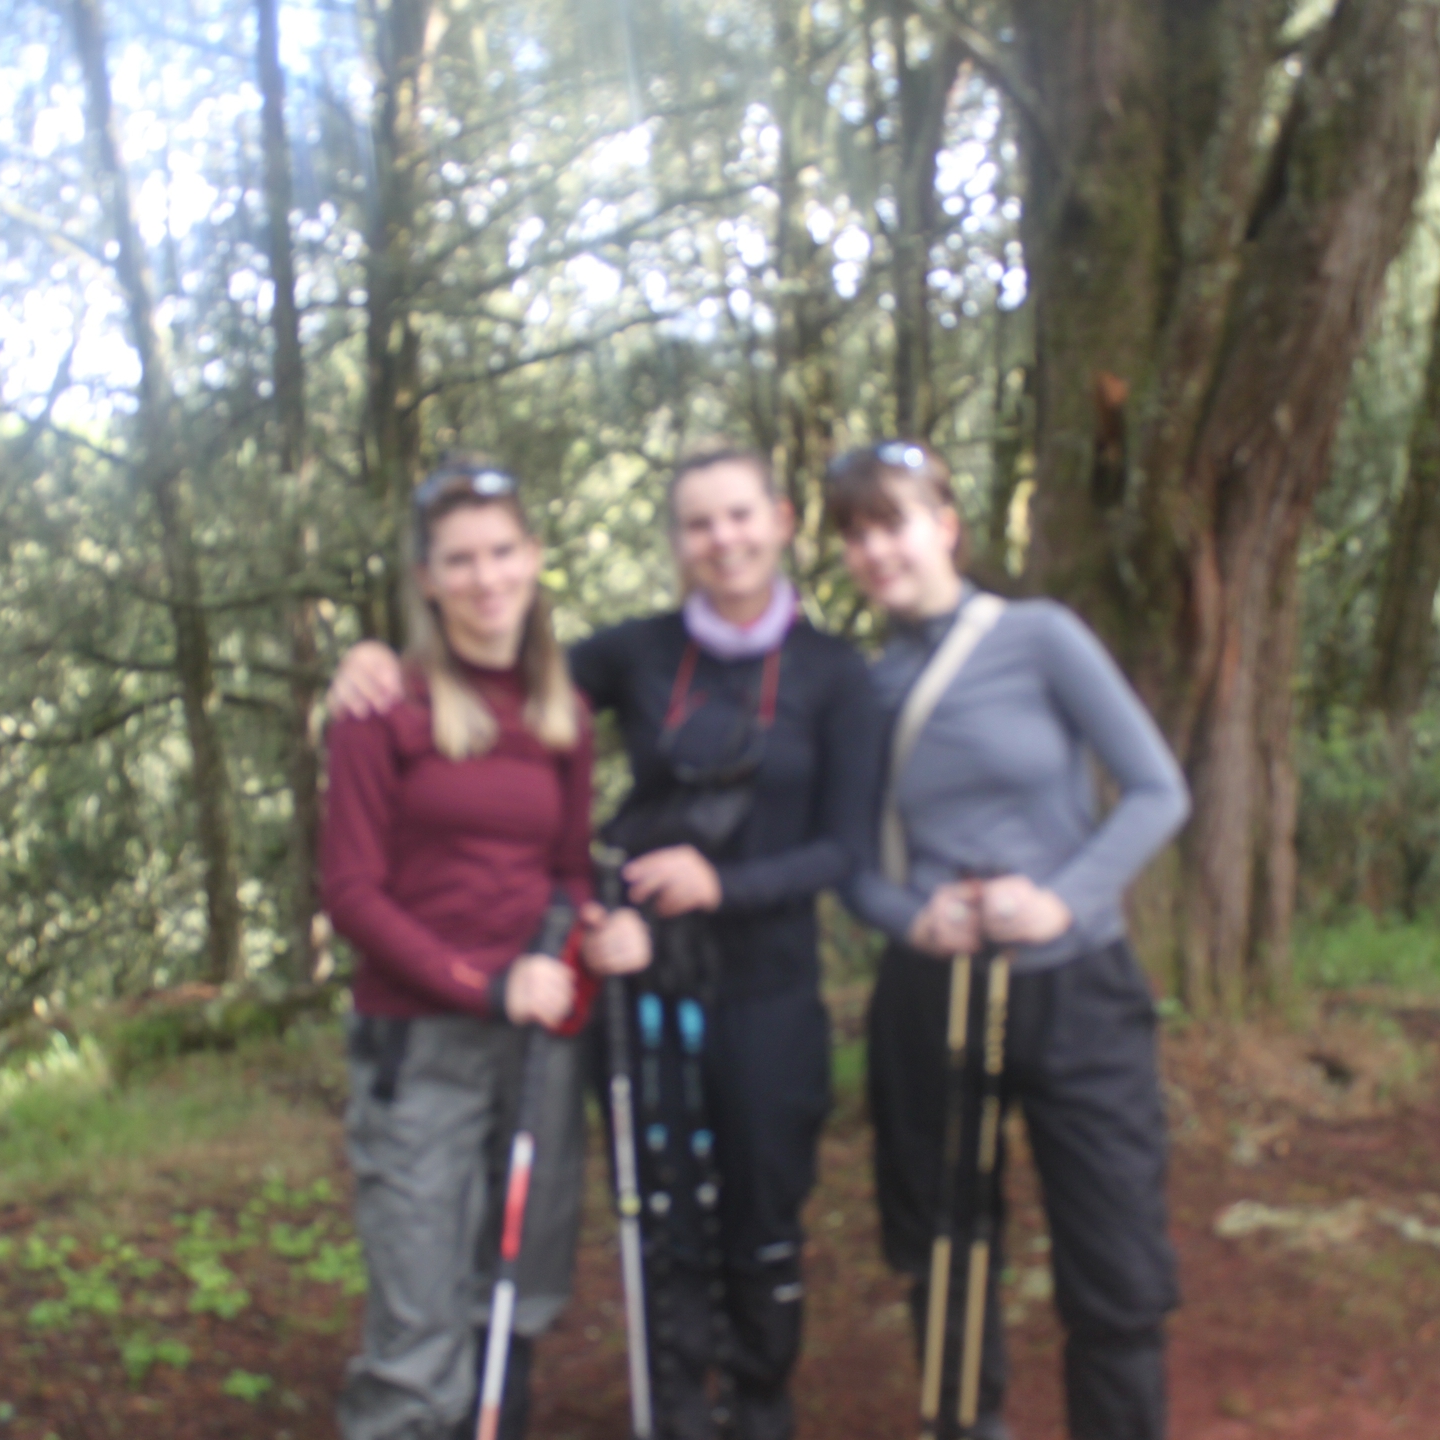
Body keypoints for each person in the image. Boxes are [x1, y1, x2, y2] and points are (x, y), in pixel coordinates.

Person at [329, 446, 882, 1440]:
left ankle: (738, 1404)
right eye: (698, 523)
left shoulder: (818, 676)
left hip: (680, 997)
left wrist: (664, 901)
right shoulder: (592, 664)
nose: (722, 539)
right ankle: (493, 1414)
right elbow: (362, 877)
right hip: (533, 1006)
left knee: (643, 1241)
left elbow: (836, 846)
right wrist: (369, 655)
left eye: (740, 515)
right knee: (524, 1254)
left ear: (783, 520)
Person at [826, 440, 1190, 1440]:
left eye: (892, 523)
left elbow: (1158, 791)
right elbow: (846, 859)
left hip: (1077, 990)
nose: (875, 550)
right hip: (934, 996)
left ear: (945, 526)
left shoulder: (1040, 637)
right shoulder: (861, 688)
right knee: (945, 1249)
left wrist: (1063, 902)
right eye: (854, 534)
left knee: (1115, 1254)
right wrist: (911, 917)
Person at [319, 459, 652, 1440]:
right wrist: (484, 984)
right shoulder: (383, 707)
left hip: (540, 1033)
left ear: (534, 557)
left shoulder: (563, 713)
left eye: (502, 552)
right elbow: (351, 894)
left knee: (517, 1282)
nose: (485, 577)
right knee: (419, 1303)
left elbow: (567, 869)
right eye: (459, 560)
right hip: (419, 1041)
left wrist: (593, 928)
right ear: (427, 578)